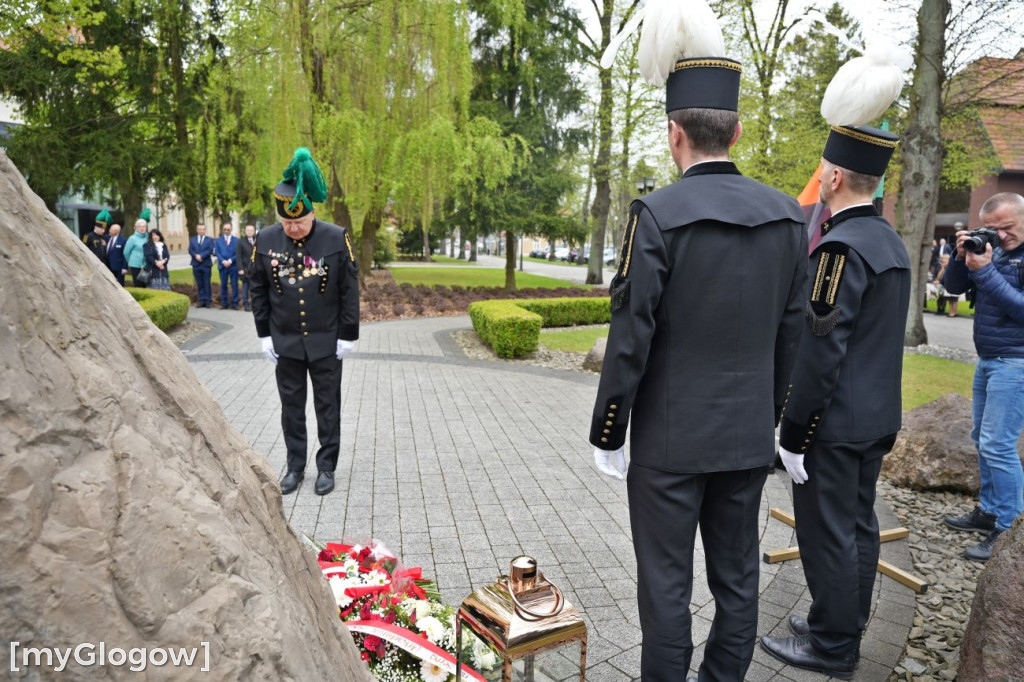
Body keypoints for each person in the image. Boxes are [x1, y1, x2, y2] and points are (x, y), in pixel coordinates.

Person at [589, 11, 807, 680]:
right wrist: (767, 418)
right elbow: (792, 333)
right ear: (736, 132)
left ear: (674, 133)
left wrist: (609, 430)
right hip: (744, 440)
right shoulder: (787, 217)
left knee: (664, 591)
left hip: (668, 443)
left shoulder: (656, 215)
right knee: (739, 585)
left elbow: (632, 335)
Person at [761, 53, 910, 680]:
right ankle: (840, 623)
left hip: (836, 423)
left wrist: (793, 434)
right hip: (875, 417)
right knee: (859, 529)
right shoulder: (890, 244)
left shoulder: (840, 249)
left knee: (828, 536)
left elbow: (821, 353)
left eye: (824, 172)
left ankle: (832, 645)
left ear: (835, 178)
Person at [250, 147, 359, 496]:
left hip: (327, 341)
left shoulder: (334, 236)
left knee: (328, 407)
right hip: (286, 342)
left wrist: (349, 334)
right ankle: (295, 467)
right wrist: (264, 334)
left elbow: (348, 289)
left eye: (299, 222)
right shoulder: (265, 239)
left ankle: (326, 466)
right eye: (287, 223)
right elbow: (258, 288)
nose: (294, 229)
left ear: (312, 213)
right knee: (291, 408)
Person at [942, 192, 1024, 562]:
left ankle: (1007, 530)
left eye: (1006, 228)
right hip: (989, 359)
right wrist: (962, 258)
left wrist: (987, 271)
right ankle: (988, 512)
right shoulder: (994, 250)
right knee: (982, 439)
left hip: (1016, 363)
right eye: (992, 229)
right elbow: (954, 289)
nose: (1000, 236)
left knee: (999, 444)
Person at [189, 223, 215, 307]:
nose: (201, 231)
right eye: (199, 229)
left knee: (206, 283)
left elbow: (210, 250)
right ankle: (201, 300)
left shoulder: (210, 240)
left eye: (203, 229)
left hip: (206, 264)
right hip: (196, 264)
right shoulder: (192, 239)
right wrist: (196, 256)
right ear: (197, 230)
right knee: (199, 283)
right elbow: (190, 250)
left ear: (205, 230)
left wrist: (202, 256)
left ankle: (208, 301)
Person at [215, 223, 240, 309]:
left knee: (234, 285)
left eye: (228, 229)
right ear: (223, 229)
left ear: (231, 229)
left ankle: (235, 304)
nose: (226, 231)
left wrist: (230, 260)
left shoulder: (237, 240)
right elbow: (217, 252)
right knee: (223, 285)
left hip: (233, 266)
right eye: (225, 229)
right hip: (222, 266)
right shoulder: (218, 240)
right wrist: (223, 261)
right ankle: (224, 304)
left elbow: (238, 253)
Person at [123, 218, 150, 287]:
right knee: (138, 284)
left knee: (146, 284)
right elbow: (126, 252)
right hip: (136, 265)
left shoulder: (149, 237)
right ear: (136, 228)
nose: (142, 228)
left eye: (144, 226)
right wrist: (131, 261)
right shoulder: (132, 238)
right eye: (139, 227)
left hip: (146, 265)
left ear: (146, 228)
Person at [236, 224, 257, 311]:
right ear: (245, 231)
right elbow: (238, 256)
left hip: (256, 269)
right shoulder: (241, 242)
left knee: (255, 288)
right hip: (245, 269)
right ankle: (246, 304)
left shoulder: (257, 241)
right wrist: (240, 269)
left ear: (254, 231)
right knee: (245, 287)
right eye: (248, 230)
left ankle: (254, 304)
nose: (249, 232)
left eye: (251, 230)